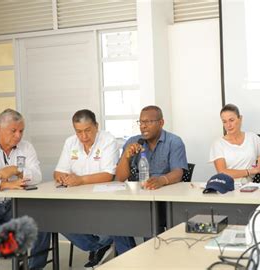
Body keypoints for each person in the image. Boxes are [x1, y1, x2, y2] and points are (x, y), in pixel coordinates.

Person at [30, 109, 119, 269]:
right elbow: (58, 171)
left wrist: (80, 180)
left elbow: (108, 175)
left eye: (87, 131)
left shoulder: (108, 140)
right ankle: (98, 246)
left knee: (55, 218)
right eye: (79, 132)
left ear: (96, 126)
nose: (83, 136)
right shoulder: (70, 142)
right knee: (45, 216)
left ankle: (101, 244)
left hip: (103, 199)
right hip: (75, 199)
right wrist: (62, 177)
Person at [114, 105, 188, 254]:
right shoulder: (133, 142)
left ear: (161, 123)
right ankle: (131, 257)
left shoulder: (174, 142)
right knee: (114, 221)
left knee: (148, 223)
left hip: (163, 203)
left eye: (148, 122)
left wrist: (162, 180)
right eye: (140, 122)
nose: (143, 126)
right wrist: (126, 157)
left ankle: (150, 258)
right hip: (136, 201)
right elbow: (120, 178)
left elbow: (178, 172)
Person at [0, 109, 42, 270]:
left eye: (21, 131)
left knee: (43, 222)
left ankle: (34, 267)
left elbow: (37, 176)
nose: (18, 136)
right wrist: (3, 185)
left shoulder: (26, 147)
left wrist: (16, 169)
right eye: (13, 131)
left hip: (15, 204)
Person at [209, 104, 260, 183]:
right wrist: (249, 171)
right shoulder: (218, 144)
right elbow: (222, 172)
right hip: (227, 187)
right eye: (224, 122)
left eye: (231, 120)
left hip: (249, 187)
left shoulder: (252, 137)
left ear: (240, 118)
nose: (228, 125)